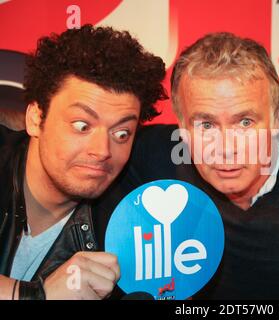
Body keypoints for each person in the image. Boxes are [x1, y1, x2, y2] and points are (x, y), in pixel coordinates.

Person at [98, 32, 279, 299]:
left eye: (245, 122)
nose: (225, 148)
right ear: (182, 127)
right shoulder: (149, 155)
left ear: (275, 119)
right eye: (206, 125)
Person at [0, 24, 167, 300]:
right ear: (35, 118)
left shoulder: (127, 228)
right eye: (82, 125)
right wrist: (35, 295)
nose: (102, 150)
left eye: (121, 133)